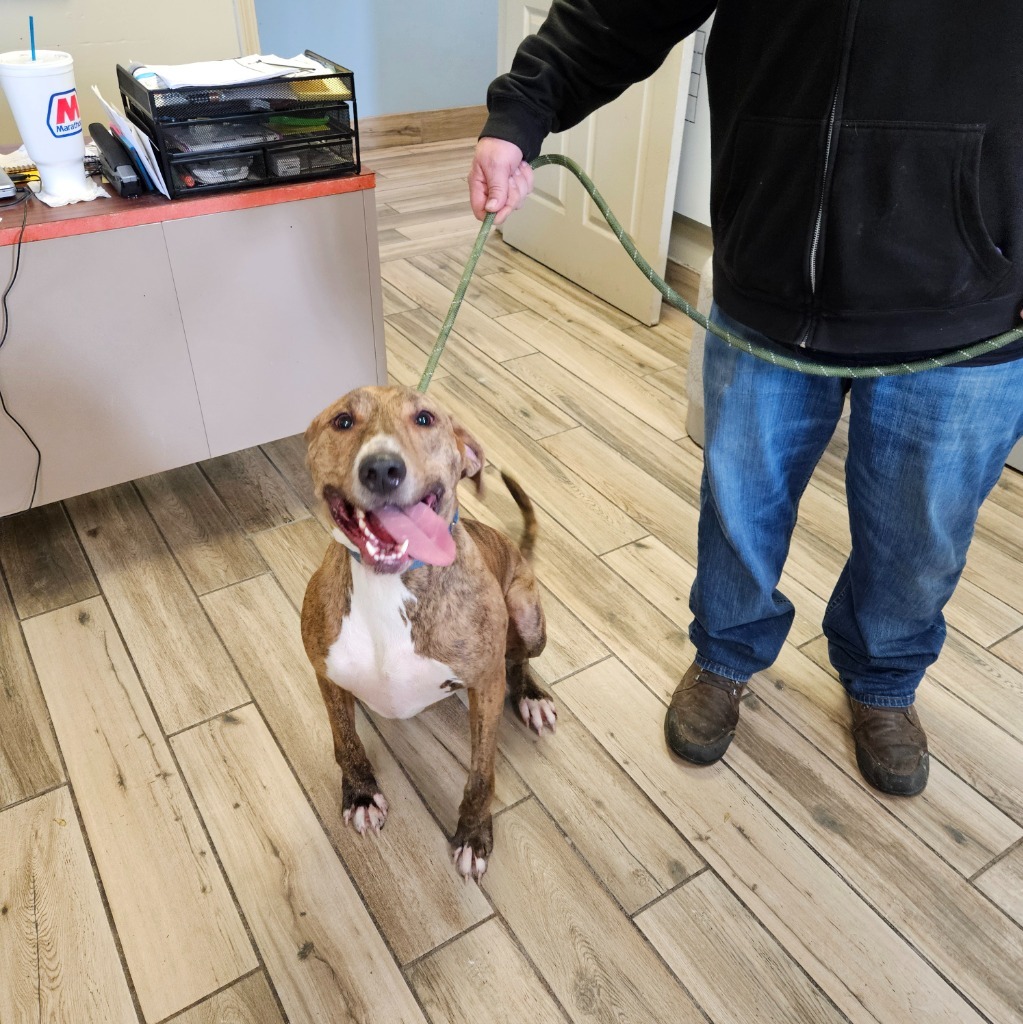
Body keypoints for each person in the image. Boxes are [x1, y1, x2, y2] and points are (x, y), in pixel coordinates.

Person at [467, 0, 1023, 796]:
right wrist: (521, 113)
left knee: (918, 534)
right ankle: (724, 654)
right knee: (738, 505)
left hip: (971, 301)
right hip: (766, 276)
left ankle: (883, 682)